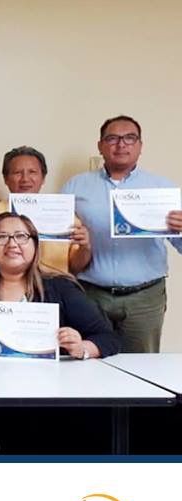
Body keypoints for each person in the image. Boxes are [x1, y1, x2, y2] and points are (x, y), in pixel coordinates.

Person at [0, 213, 120, 454]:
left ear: (35, 245)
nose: (12, 244)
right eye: (2, 237)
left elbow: (108, 338)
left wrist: (82, 347)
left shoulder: (60, 287)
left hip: (43, 396)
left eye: (21, 236)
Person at [61, 115, 182, 353]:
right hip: (91, 293)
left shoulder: (162, 189)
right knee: (89, 360)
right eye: (113, 138)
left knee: (142, 366)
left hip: (144, 298)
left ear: (140, 146)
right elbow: (61, 244)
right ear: (100, 145)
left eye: (129, 138)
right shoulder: (75, 186)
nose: (121, 144)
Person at [0, 146, 91, 273]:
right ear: (6, 179)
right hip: (5, 282)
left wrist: (85, 247)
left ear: (43, 178)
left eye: (32, 172)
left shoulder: (64, 214)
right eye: (17, 173)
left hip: (54, 281)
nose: (25, 179)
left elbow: (75, 267)